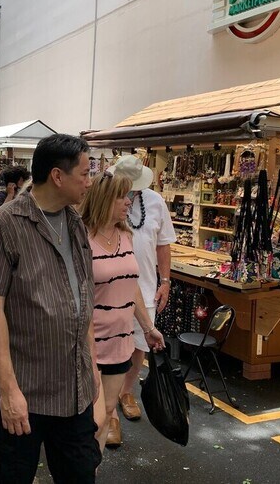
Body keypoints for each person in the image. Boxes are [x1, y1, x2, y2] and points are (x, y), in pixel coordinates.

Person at [0, 133, 100, 484]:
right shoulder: (5, 223)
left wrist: (93, 365)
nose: (90, 182)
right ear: (58, 176)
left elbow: (83, 297)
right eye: (86, 173)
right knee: (14, 476)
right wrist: (9, 390)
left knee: (80, 474)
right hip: (24, 390)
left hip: (75, 389)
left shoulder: (75, 222)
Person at [79, 171, 165, 453]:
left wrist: (148, 327)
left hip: (119, 341)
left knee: (105, 410)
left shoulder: (125, 234)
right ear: (104, 199)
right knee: (90, 417)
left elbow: (133, 287)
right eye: (122, 196)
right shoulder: (79, 236)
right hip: (86, 343)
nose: (128, 202)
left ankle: (91, 469)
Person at [106, 154, 176, 446]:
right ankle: (108, 413)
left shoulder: (156, 201)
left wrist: (166, 281)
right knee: (110, 352)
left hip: (145, 288)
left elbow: (163, 245)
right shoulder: (105, 200)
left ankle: (126, 391)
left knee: (138, 349)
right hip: (110, 290)